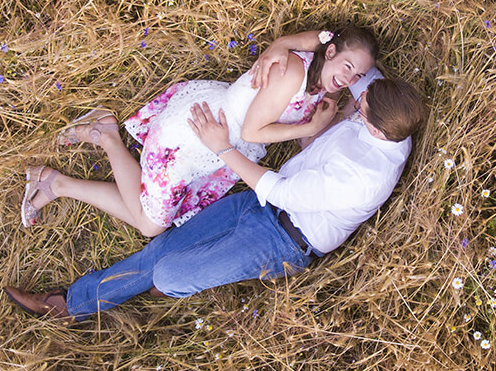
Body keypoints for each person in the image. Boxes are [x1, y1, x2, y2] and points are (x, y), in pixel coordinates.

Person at [4, 74, 427, 323]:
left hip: (283, 241)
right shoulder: (389, 117)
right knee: (158, 251)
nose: (358, 97)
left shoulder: (363, 177)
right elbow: (357, 81)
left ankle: (169, 282)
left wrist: (222, 147)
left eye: (361, 104)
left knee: (168, 276)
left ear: (374, 127)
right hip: (262, 204)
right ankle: (68, 303)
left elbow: (278, 188)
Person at [20, 26, 378, 238]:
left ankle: (59, 181)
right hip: (198, 134)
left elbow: (300, 133)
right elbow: (253, 132)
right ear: (329, 52)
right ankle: (103, 138)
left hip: (215, 142)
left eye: (357, 76)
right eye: (347, 66)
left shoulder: (322, 82)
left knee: (154, 220)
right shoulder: (292, 74)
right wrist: (313, 125)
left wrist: (328, 126)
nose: (348, 80)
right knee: (150, 226)